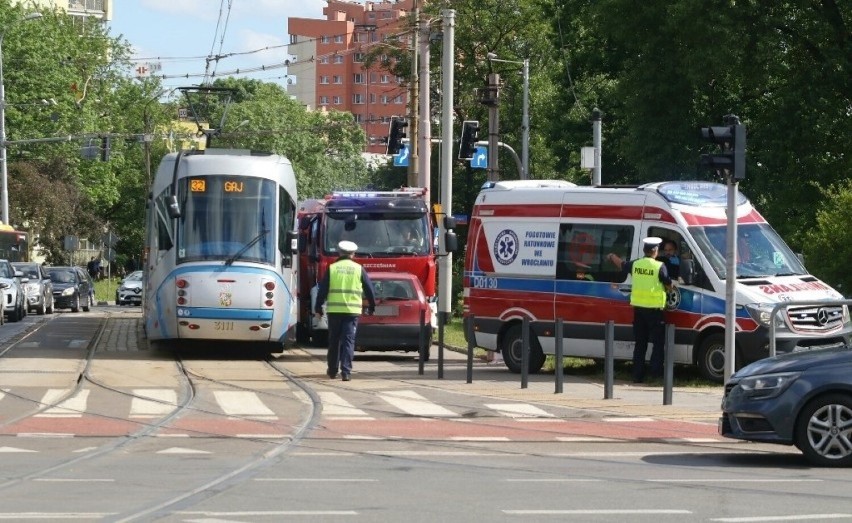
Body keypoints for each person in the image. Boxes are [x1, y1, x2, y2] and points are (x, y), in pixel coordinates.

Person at [607, 237, 673, 383]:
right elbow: (668, 284)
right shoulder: (659, 266)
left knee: (640, 343)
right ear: (655, 251)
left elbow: (621, 264)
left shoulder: (635, 265)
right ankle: (655, 374)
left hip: (639, 311)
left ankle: (637, 375)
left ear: (644, 251)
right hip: (655, 311)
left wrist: (612, 256)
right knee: (657, 343)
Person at [314, 240, 377, 381]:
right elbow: (369, 289)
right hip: (351, 312)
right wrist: (372, 306)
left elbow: (322, 290)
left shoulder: (332, 268)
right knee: (348, 341)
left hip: (334, 311)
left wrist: (318, 307)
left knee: (334, 341)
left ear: (339, 252)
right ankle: (346, 372)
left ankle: (332, 370)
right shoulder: (358, 269)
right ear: (353, 254)